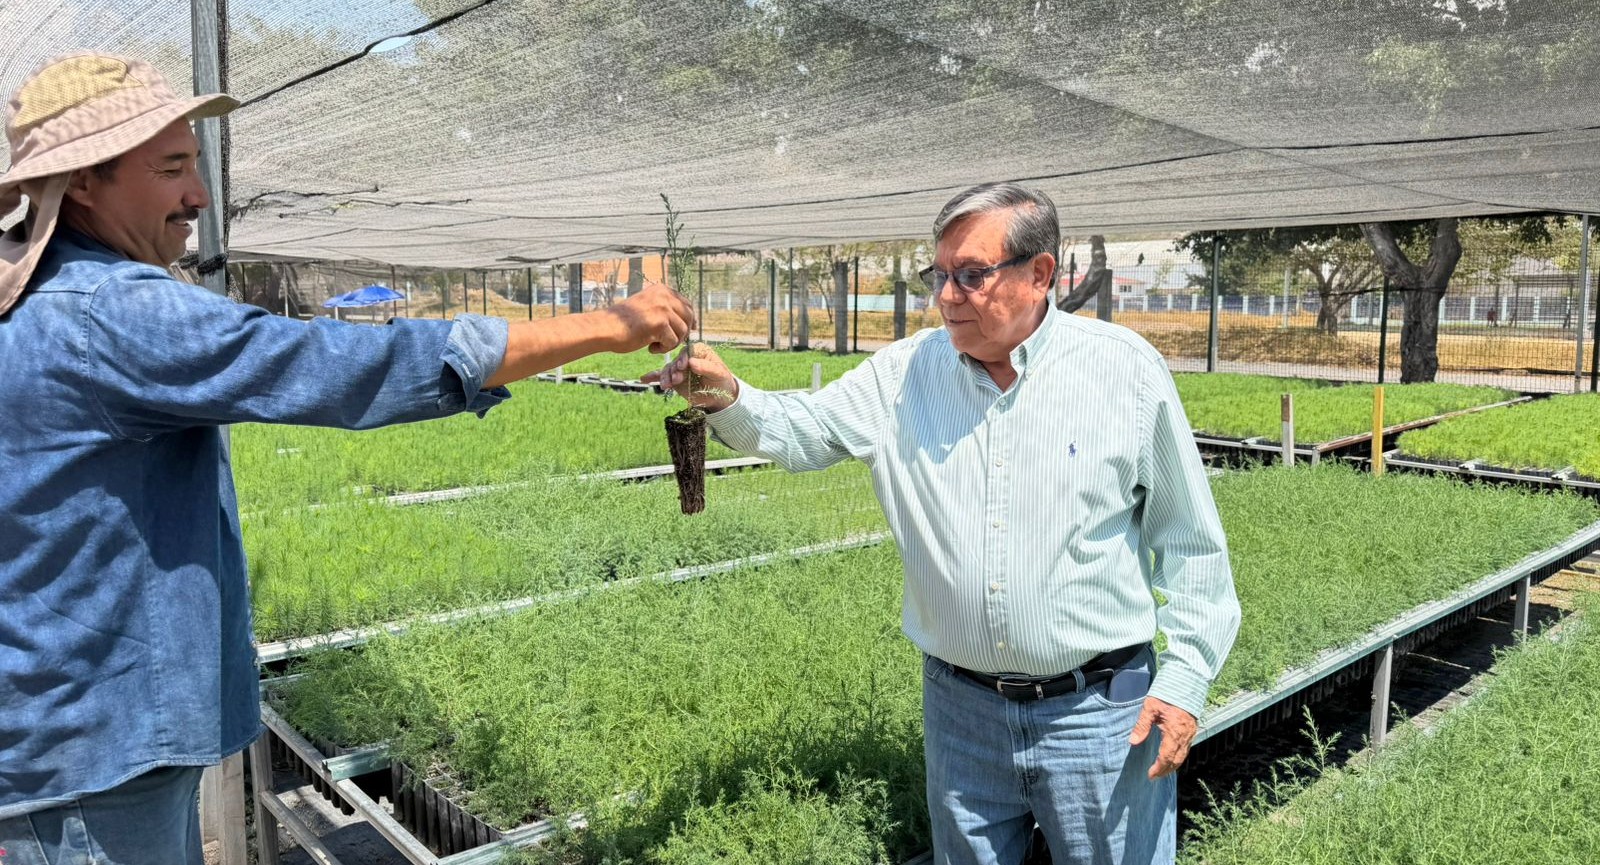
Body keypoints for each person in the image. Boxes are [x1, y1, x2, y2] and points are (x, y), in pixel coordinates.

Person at [0, 53, 694, 862]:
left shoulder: (36, 298)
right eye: (172, 167)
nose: (199, 195)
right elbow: (334, 365)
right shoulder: (110, 311)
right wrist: (608, 325)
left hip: (73, 744)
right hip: (90, 770)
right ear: (83, 181)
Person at [649, 182, 1240, 865]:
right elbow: (802, 430)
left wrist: (1185, 680)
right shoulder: (903, 376)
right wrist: (725, 393)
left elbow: (1190, 541)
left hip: (1101, 715)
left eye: (971, 275)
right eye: (940, 275)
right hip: (962, 714)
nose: (948, 296)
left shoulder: (1123, 372)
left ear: (1040, 273)